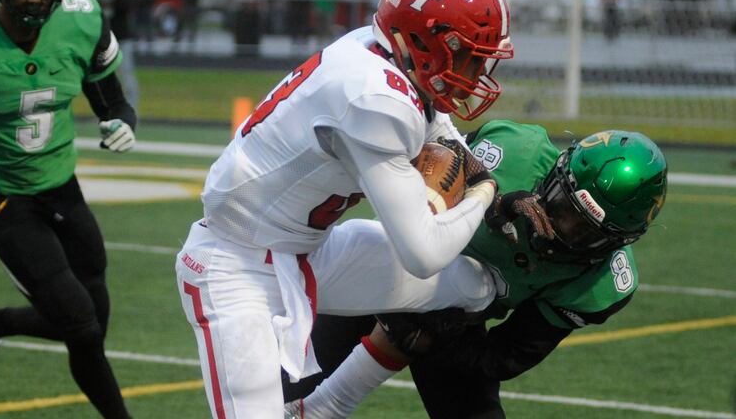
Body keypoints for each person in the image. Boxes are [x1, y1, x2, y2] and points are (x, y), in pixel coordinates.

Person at [174, 0, 515, 418]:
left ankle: (321, 407)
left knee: (478, 284)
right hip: (234, 266)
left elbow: (437, 126)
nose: (475, 72)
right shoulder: (375, 96)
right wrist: (484, 193)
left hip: (313, 252)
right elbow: (424, 253)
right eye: (468, 55)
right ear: (423, 42)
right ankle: (322, 407)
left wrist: (481, 176)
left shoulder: (382, 53)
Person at [283, 121, 669, 419]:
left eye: (585, 231)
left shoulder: (600, 284)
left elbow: (506, 355)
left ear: (620, 241)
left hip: (456, 329)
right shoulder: (515, 151)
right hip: (388, 273)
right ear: (556, 172)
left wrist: (444, 335)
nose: (563, 228)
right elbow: (430, 173)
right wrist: (490, 196)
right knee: (278, 395)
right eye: (563, 206)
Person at [0, 0, 137, 417]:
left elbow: (114, 104)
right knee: (80, 324)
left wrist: (122, 124)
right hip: (5, 196)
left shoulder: (82, 19)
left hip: (62, 188)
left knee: (91, 325)